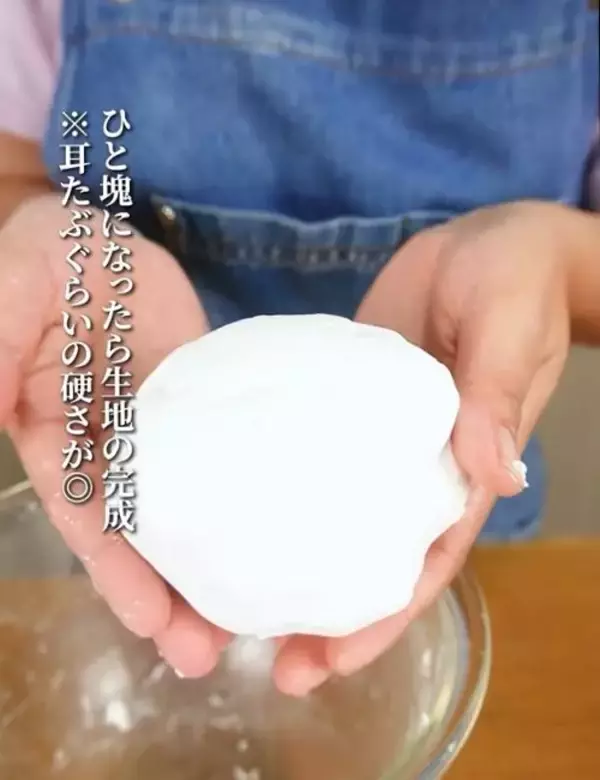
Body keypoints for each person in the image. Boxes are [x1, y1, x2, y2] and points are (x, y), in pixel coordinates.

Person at [0, 1, 598, 696]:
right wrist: (41, 232)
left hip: (474, 484)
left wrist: (556, 260)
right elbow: (13, 172)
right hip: (124, 467)